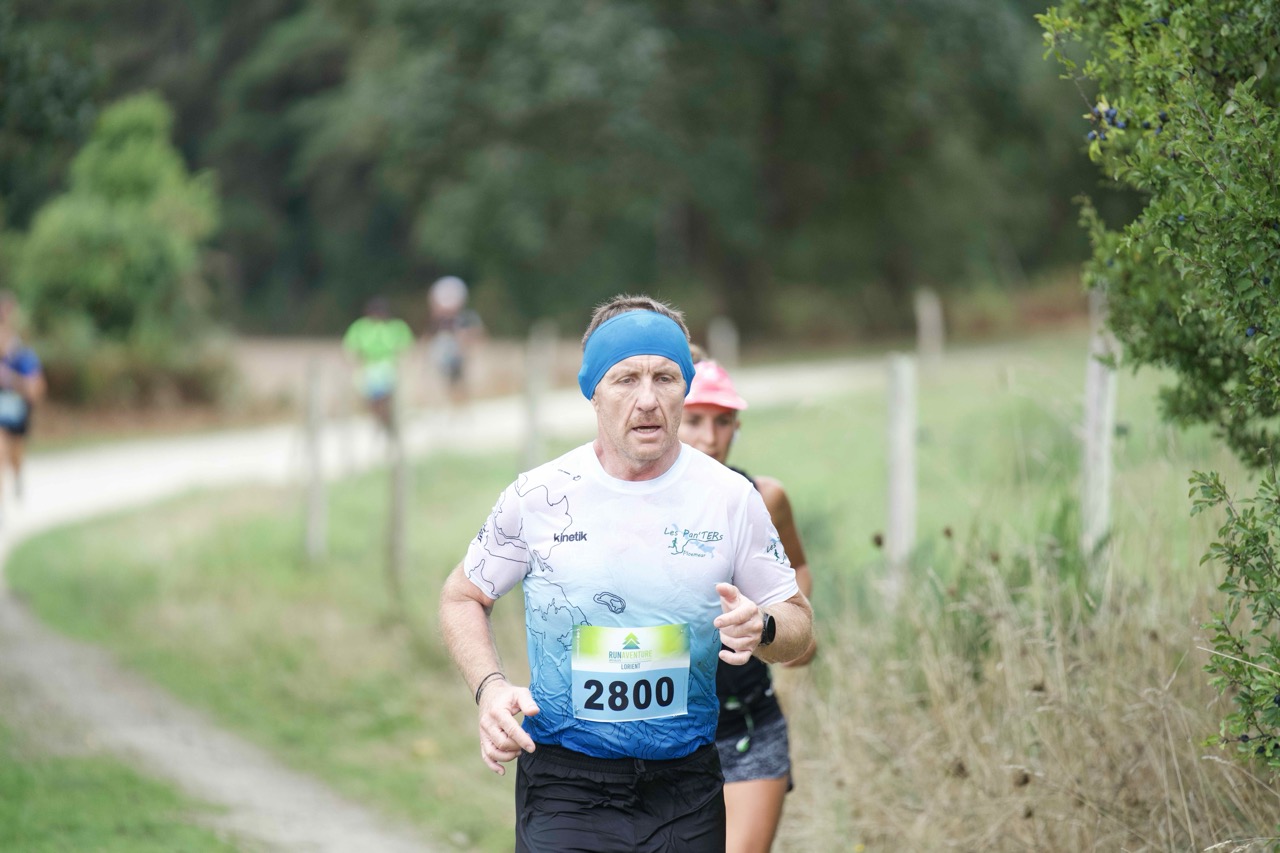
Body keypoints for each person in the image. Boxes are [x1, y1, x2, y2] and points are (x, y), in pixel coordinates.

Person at [438, 294, 814, 852]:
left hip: (686, 784)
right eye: (625, 379)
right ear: (593, 390)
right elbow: (463, 596)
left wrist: (764, 627)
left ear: (685, 387)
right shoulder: (539, 495)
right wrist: (490, 689)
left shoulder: (731, 497)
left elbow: (799, 625)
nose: (647, 400)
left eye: (665, 378)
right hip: (565, 780)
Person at [679, 354, 817, 853]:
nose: (710, 438)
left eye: (723, 422)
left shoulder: (764, 497)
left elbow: (797, 571)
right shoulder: (633, 502)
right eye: (695, 420)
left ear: (737, 424)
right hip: (660, 736)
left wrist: (786, 628)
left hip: (747, 723)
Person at [342, 296, 414, 434]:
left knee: (386, 396)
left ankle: (386, 421)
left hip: (388, 366)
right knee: (372, 398)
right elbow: (350, 349)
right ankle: (380, 421)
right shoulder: (360, 327)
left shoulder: (396, 327)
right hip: (369, 366)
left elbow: (406, 347)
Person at [0, 292, 44, 505]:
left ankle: (17, 476)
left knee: (15, 455)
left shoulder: (23, 355)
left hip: (16, 412)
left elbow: (36, 389)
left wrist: (11, 379)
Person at [424, 276, 485, 408]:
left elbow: (475, 334)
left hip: (457, 355)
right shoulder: (441, 324)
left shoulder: (464, 319)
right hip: (446, 356)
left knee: (459, 380)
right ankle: (453, 404)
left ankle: (461, 405)